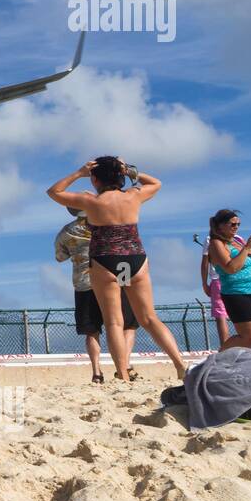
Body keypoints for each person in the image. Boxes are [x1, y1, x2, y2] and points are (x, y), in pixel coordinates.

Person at [46, 158, 187, 380]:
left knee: (114, 321)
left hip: (106, 259)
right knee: (149, 318)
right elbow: (156, 183)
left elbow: (54, 192)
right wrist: (130, 170)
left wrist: (78, 173)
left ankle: (122, 374)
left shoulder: (90, 201)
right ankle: (180, 364)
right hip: (135, 258)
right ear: (120, 175)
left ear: (94, 179)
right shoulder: (134, 195)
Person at [55, 208, 138, 383]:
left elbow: (60, 256)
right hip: (114, 280)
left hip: (84, 283)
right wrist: (126, 280)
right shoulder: (108, 224)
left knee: (92, 331)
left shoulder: (66, 231)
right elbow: (124, 250)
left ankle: (96, 372)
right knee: (127, 325)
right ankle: (125, 366)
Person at [206, 209, 251, 353]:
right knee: (250, 335)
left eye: (238, 224)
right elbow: (231, 268)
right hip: (236, 292)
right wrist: (247, 247)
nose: (236, 227)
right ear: (220, 226)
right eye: (232, 224)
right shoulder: (216, 243)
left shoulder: (238, 241)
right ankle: (219, 359)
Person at [197, 232, 235, 346]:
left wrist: (204, 283)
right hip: (235, 278)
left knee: (220, 314)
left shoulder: (210, 239)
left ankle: (225, 346)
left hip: (217, 279)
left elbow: (205, 263)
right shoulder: (236, 239)